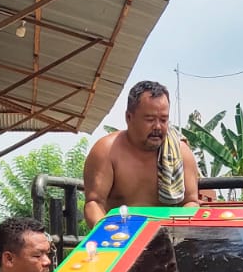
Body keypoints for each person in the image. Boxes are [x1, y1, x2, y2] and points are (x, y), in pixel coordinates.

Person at [83, 80, 201, 225]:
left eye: (163, 120)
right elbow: (94, 203)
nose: (158, 126)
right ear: (129, 117)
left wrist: (177, 230)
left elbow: (191, 203)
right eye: (150, 119)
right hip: (119, 234)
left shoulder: (182, 153)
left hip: (169, 233)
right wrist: (107, 233)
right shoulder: (106, 151)